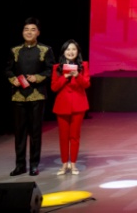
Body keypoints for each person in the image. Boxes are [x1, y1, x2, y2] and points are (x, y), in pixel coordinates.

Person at [6, 18, 53, 176]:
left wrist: (37, 78)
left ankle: (34, 165)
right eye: (26, 29)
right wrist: (12, 79)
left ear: (38, 32)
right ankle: (20, 165)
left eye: (33, 30)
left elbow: (50, 70)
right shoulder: (15, 50)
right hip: (19, 96)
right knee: (19, 133)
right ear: (22, 32)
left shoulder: (45, 50)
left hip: (36, 95)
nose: (29, 32)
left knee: (35, 132)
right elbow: (8, 69)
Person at [51, 39, 89, 175]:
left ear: (78, 52)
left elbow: (86, 84)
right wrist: (65, 77)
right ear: (63, 52)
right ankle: (64, 164)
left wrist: (77, 75)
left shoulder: (83, 65)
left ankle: (73, 164)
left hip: (78, 106)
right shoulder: (57, 67)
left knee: (75, 136)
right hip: (62, 106)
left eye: (73, 49)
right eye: (68, 49)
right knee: (63, 137)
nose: (71, 52)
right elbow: (54, 87)